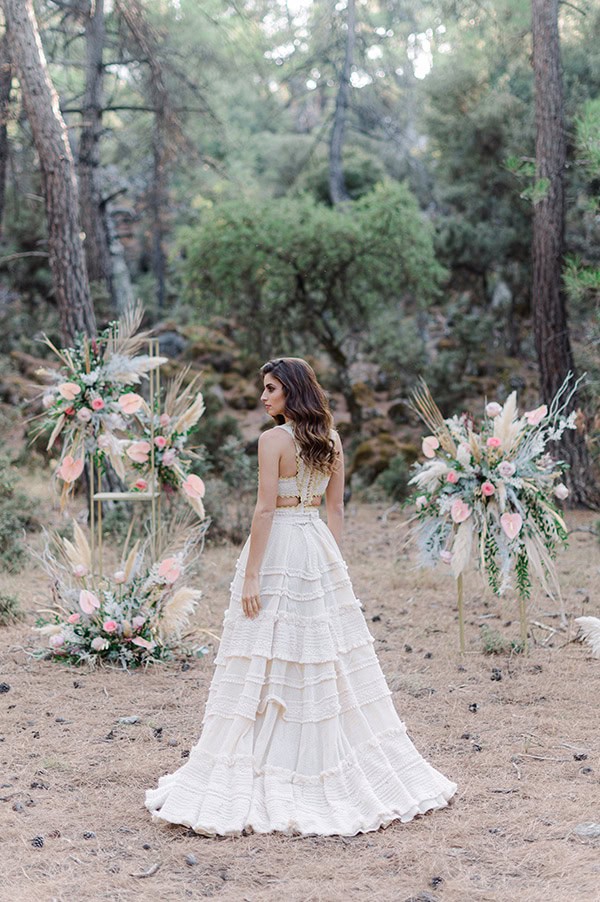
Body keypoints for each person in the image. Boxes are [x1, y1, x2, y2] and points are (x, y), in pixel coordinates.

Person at [145, 357, 457, 836]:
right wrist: (331, 564)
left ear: (292, 390)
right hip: (315, 545)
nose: (264, 397)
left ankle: (275, 752)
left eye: (271, 388)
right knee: (313, 652)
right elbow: (336, 509)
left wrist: (251, 576)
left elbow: (265, 510)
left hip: (279, 549)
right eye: (263, 388)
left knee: (269, 646)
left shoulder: (272, 441)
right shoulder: (330, 439)